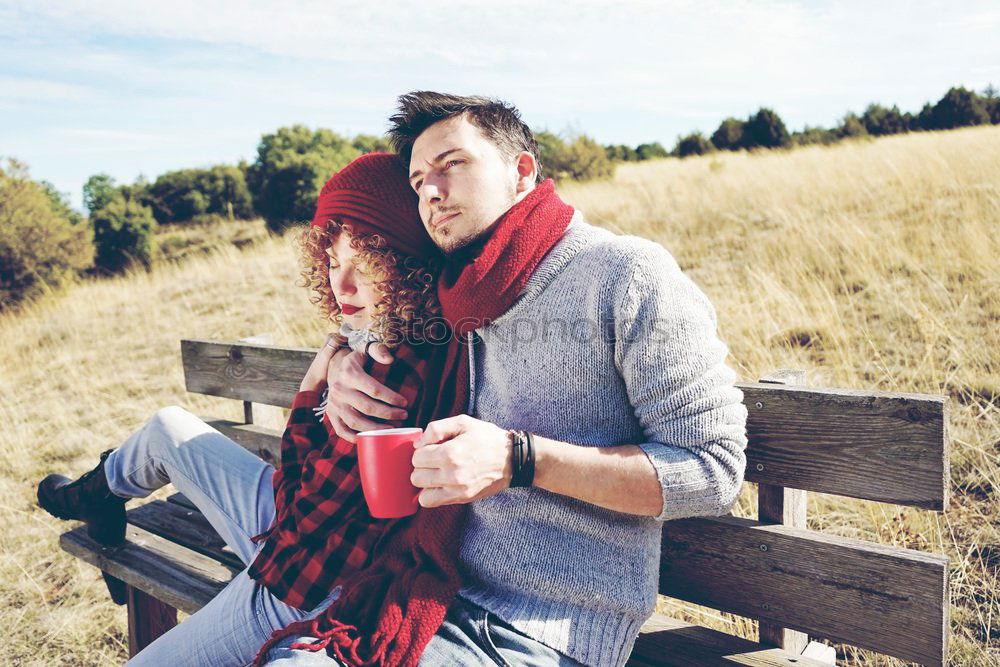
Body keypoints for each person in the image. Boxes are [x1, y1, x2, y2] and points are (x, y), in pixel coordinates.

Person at [282, 92, 750, 667]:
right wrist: (335, 366)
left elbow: (713, 472)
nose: (431, 190)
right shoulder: (454, 294)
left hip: (547, 630)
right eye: (418, 180)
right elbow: (366, 322)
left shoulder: (624, 274)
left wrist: (519, 459)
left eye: (451, 165)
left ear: (522, 170)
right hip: (431, 590)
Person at [36, 152, 470, 666]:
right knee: (167, 427)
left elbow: (301, 505)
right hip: (300, 535)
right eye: (332, 262)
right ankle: (94, 498)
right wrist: (329, 373)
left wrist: (313, 391)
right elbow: (303, 487)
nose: (342, 286)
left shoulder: (384, 372)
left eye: (366, 266)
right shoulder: (387, 335)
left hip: (301, 584)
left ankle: (91, 499)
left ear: (404, 261)